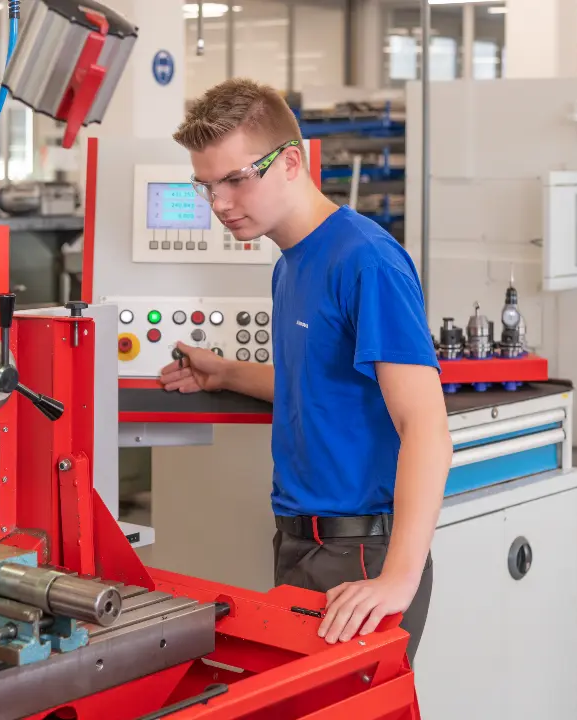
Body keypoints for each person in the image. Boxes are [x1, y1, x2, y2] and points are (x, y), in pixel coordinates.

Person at [157, 78, 452, 662]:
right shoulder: (290, 263)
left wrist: (398, 579)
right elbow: (318, 383)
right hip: (298, 542)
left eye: (235, 179)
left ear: (290, 161)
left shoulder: (364, 259)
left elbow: (428, 430)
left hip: (360, 554)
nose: (219, 204)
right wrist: (228, 374)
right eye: (207, 185)